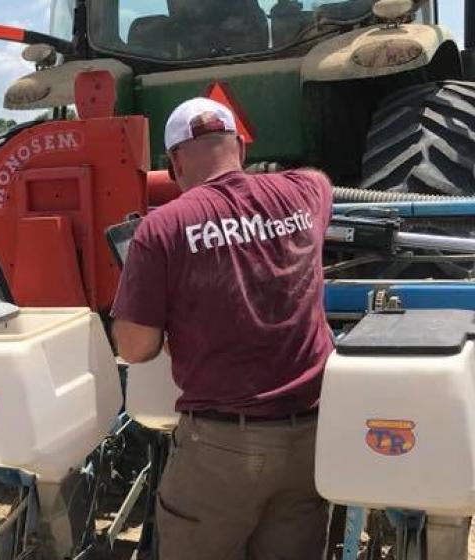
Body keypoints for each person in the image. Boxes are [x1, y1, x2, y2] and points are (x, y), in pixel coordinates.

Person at [111, 97, 334, 559]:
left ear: (173, 162)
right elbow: (319, 184)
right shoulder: (307, 192)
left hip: (222, 450)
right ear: (241, 149)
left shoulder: (161, 229)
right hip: (311, 438)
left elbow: (134, 347)